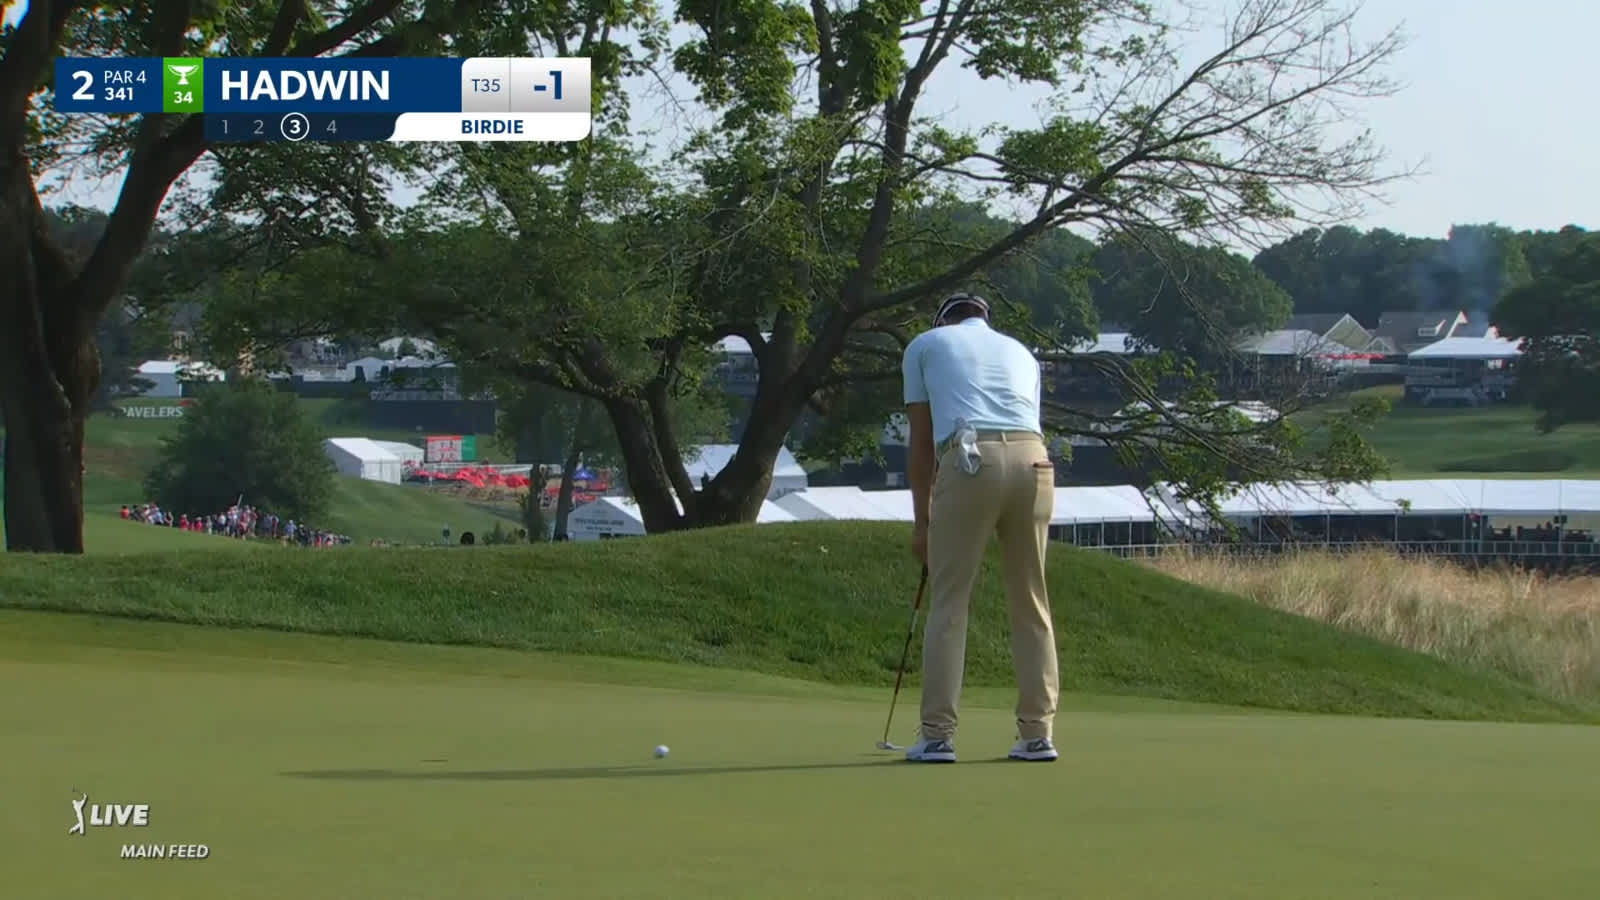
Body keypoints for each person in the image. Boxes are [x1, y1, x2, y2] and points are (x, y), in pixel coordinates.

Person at [899, 292, 1060, 764]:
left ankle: (937, 735)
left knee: (949, 601)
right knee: (1031, 601)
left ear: (942, 319)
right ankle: (1037, 734)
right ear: (985, 319)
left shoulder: (924, 345)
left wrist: (922, 523)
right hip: (1035, 461)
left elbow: (922, 446)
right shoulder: (1021, 352)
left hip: (969, 459)